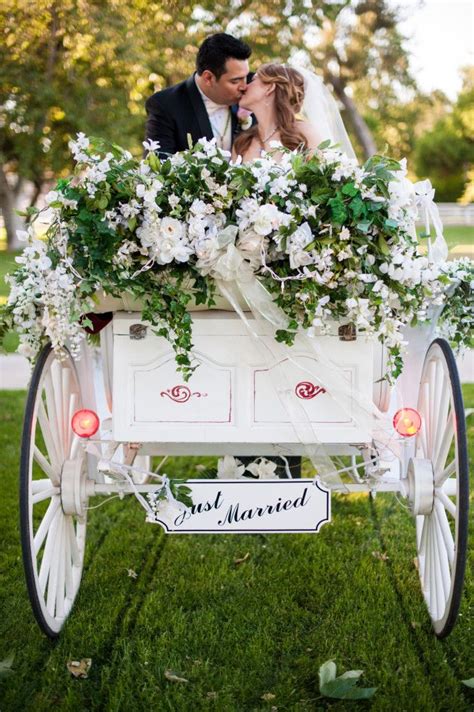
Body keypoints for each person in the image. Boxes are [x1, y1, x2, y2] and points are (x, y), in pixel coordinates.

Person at [145, 33, 252, 156]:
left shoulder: (256, 91)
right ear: (208, 77)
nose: (245, 87)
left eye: (245, 77)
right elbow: (158, 167)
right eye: (235, 81)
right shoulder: (165, 105)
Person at [232, 63, 321, 162]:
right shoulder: (242, 144)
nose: (244, 87)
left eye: (253, 80)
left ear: (269, 88)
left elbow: (323, 174)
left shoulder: (304, 134)